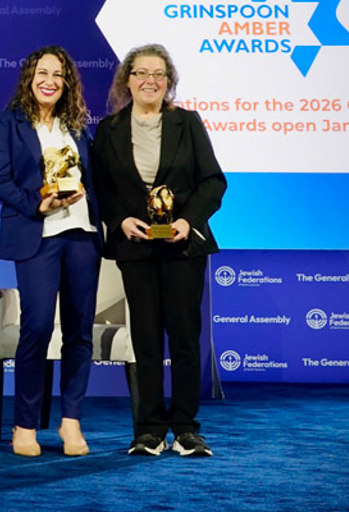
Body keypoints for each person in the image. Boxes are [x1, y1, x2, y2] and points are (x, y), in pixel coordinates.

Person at [91, 43, 226, 458]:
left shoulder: (188, 123)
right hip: (137, 249)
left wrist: (188, 221)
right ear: (127, 80)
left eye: (159, 74)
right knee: (146, 341)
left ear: (169, 82)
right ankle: (148, 430)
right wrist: (120, 221)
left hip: (183, 247)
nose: (150, 80)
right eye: (141, 72)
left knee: (185, 339)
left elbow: (213, 182)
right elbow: (103, 190)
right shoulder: (109, 129)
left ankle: (185, 428)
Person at [0, 46, 102, 457]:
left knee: (79, 332)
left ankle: (71, 421)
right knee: (36, 328)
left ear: (67, 81)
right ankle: (25, 425)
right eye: (41, 73)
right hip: (38, 234)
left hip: (82, 235)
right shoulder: (8, 123)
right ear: (29, 79)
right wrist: (38, 203)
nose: (49, 81)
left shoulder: (77, 126)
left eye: (58, 74)